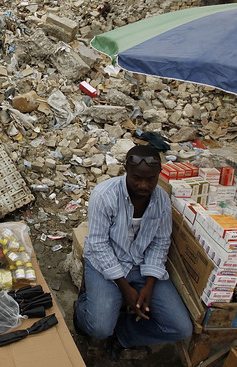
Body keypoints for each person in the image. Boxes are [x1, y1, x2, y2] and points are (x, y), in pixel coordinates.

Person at [73, 144, 193, 360]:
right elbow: (99, 245)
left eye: (151, 179)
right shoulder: (104, 195)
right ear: (126, 171)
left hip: (141, 266)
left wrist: (149, 284)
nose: (144, 185)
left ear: (158, 175)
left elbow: (160, 242)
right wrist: (125, 289)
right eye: (137, 178)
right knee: (98, 327)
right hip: (105, 265)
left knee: (181, 328)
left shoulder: (162, 200)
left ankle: (125, 335)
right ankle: (82, 309)